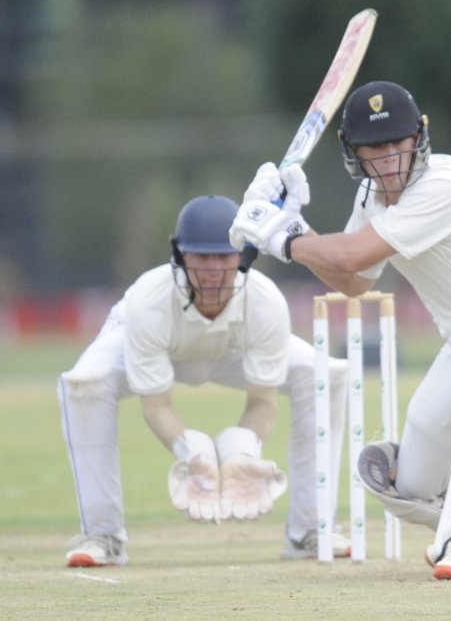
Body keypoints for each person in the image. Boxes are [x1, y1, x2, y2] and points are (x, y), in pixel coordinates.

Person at [229, 81, 451, 580]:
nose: (387, 158)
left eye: (396, 142)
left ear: (418, 137)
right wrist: (293, 226)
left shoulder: (449, 181)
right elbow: (353, 281)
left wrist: (279, 234)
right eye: (373, 148)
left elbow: (351, 255)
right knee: (409, 483)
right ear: (353, 153)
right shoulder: (371, 198)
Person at [57, 194, 350, 567]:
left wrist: (242, 451)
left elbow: (262, 402)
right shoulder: (148, 300)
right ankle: (103, 535)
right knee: (86, 382)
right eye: (202, 256)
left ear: (243, 256)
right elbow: (157, 405)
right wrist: (192, 454)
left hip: (231, 349)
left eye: (224, 256)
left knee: (324, 374)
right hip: (151, 337)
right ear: (179, 254)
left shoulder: (264, 302)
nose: (213, 269)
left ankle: (310, 530)